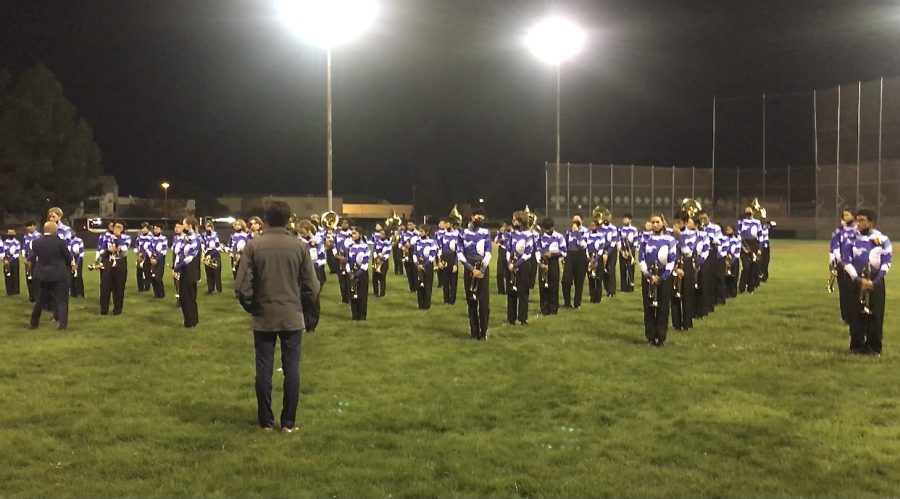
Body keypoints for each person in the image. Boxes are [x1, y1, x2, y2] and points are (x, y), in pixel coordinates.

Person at [235, 201, 320, 433]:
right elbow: (312, 286)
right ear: (287, 219)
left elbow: (242, 287)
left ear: (266, 219)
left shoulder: (253, 245)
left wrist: (253, 307)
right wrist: (302, 307)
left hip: (264, 316)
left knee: (263, 368)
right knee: (291, 369)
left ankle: (265, 422)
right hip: (292, 315)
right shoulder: (299, 246)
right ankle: (288, 424)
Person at [841, 209, 891, 356]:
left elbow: (886, 262)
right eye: (857, 220)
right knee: (855, 315)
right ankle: (856, 346)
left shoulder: (882, 239)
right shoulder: (850, 239)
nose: (858, 223)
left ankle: (873, 347)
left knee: (876, 315)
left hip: (876, 281)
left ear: (871, 222)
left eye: (862, 220)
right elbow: (846, 260)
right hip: (855, 280)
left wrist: (875, 282)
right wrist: (857, 279)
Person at [639, 214, 677, 347]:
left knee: (663, 307)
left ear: (662, 223)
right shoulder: (645, 239)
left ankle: (661, 337)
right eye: (653, 222)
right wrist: (648, 275)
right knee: (648, 307)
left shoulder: (670, 240)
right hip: (648, 275)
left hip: (664, 276)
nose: (655, 224)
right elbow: (641, 258)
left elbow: (672, 260)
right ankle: (650, 336)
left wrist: (662, 277)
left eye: (657, 222)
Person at [27, 222, 74, 330]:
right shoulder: (60, 242)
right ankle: (62, 324)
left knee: (40, 300)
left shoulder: (36, 242)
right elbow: (68, 257)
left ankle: (33, 323)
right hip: (59, 274)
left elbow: (35, 256)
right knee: (62, 300)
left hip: (42, 275)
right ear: (55, 230)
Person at [458, 207, 491, 340]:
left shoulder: (486, 232)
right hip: (469, 268)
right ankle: (474, 332)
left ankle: (483, 333)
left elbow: (488, 252)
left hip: (482, 268)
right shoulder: (462, 233)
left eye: (482, 219)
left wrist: (481, 270)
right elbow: (460, 254)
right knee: (471, 301)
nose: (480, 220)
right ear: (471, 217)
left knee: (483, 303)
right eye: (478, 218)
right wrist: (472, 269)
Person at [671, 214, 698, 331]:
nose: (677, 224)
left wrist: (680, 237)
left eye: (680, 222)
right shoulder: (670, 235)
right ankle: (676, 323)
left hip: (686, 264)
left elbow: (688, 251)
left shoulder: (692, 234)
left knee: (687, 294)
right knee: (674, 294)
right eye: (676, 221)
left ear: (686, 222)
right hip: (674, 265)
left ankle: (687, 323)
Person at [506, 211, 534, 325]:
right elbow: (508, 249)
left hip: (524, 266)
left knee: (522, 293)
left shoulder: (529, 235)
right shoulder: (512, 234)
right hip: (511, 265)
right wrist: (509, 263)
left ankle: (522, 319)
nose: (513, 221)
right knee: (511, 292)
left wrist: (516, 264)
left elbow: (528, 253)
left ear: (521, 220)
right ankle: (511, 318)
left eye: (515, 219)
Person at [173, 217, 201, 327]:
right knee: (184, 296)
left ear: (189, 225)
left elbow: (191, 256)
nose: (182, 226)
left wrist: (178, 266)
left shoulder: (195, 238)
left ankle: (191, 321)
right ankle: (190, 320)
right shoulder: (186, 237)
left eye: (183, 224)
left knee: (188, 296)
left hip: (190, 270)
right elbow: (179, 253)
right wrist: (176, 266)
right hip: (184, 269)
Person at [830, 209, 856, 324]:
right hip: (842, 266)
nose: (844, 217)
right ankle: (846, 317)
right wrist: (838, 262)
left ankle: (855, 315)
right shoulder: (838, 232)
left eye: (847, 215)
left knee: (855, 291)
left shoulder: (858, 231)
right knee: (844, 292)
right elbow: (834, 248)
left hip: (856, 265)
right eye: (843, 215)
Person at [538, 217, 566, 316]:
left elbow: (564, 252)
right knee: (543, 287)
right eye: (545, 228)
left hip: (553, 263)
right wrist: (540, 263)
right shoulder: (540, 237)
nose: (547, 231)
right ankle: (544, 310)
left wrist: (553, 255)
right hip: (542, 262)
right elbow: (537, 250)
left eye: (548, 228)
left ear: (552, 227)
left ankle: (553, 309)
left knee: (554, 287)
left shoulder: (559, 237)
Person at [562, 214, 589, 308]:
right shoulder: (568, 232)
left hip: (581, 256)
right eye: (574, 221)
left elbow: (584, 245)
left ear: (581, 221)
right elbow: (565, 244)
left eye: (577, 221)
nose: (575, 223)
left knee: (579, 281)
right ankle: (567, 302)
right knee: (566, 281)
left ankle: (577, 303)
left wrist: (577, 233)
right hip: (570, 256)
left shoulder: (585, 231)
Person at [346, 226, 370, 320]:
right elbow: (347, 260)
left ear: (360, 235)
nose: (353, 235)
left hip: (362, 273)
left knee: (362, 294)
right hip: (351, 273)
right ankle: (354, 315)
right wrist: (350, 272)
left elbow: (366, 262)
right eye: (352, 233)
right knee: (352, 294)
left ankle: (362, 316)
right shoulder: (350, 247)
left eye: (355, 233)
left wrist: (357, 274)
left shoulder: (365, 247)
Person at [737, 205, 762, 294]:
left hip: (754, 244)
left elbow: (760, 236)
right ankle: (742, 287)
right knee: (746, 266)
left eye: (749, 211)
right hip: (744, 244)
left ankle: (751, 288)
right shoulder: (741, 222)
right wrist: (743, 247)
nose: (748, 213)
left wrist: (759, 248)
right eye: (746, 211)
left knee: (752, 267)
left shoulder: (757, 222)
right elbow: (739, 235)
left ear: (753, 212)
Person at [413, 225, 438, 310]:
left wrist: (424, 265)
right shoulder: (417, 242)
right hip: (418, 265)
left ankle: (427, 304)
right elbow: (414, 253)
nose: (419, 233)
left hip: (427, 266)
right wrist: (417, 264)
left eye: (421, 231)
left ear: (426, 232)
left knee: (427, 284)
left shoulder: (432, 242)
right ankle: (420, 303)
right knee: (419, 284)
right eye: (419, 231)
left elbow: (432, 256)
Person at [439, 219, 461, 304]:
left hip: (452, 258)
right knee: (445, 280)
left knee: (453, 281)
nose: (445, 225)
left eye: (446, 223)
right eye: (444, 223)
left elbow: (458, 250)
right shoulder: (443, 235)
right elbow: (440, 248)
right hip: (444, 258)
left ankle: (452, 300)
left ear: (451, 224)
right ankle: (446, 300)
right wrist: (440, 260)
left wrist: (456, 264)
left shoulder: (457, 235)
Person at [599, 213, 619, 297]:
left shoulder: (613, 228)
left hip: (611, 251)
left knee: (611, 270)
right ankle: (607, 289)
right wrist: (602, 252)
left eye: (609, 217)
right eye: (606, 217)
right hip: (602, 251)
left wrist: (607, 253)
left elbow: (614, 241)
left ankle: (612, 291)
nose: (607, 219)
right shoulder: (600, 228)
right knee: (603, 271)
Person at [618, 214, 639, 292]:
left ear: (630, 220)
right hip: (623, 251)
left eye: (626, 219)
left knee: (630, 269)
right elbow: (618, 240)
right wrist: (622, 251)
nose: (624, 220)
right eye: (624, 219)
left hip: (631, 251)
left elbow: (636, 240)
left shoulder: (634, 229)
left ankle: (631, 286)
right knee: (623, 269)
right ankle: (623, 287)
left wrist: (631, 251)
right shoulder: (620, 229)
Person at [201, 221, 223, 294]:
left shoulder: (215, 234)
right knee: (208, 271)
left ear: (212, 227)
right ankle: (210, 288)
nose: (208, 228)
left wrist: (211, 254)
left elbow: (218, 246)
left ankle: (219, 289)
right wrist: (204, 254)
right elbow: (203, 244)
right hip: (207, 253)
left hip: (215, 253)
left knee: (216, 271)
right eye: (207, 226)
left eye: (209, 226)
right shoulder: (204, 235)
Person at [22, 220, 41, 302]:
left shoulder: (39, 236)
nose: (28, 228)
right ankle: (31, 296)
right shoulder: (25, 236)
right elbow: (23, 247)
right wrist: (25, 258)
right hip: (27, 260)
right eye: (27, 226)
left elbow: (39, 249)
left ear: (34, 226)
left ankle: (38, 296)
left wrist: (31, 258)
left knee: (36, 278)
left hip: (36, 260)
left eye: (30, 226)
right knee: (28, 278)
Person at [371, 227, 392, 297]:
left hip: (384, 262)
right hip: (375, 261)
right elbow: (374, 250)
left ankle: (382, 293)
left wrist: (381, 259)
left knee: (382, 277)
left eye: (383, 234)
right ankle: (375, 292)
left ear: (386, 235)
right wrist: (376, 258)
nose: (381, 235)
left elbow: (387, 253)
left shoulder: (388, 243)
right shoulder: (377, 241)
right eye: (380, 233)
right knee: (374, 278)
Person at [149, 224, 168, 299]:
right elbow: (150, 248)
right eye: (155, 229)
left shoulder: (164, 238)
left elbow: (164, 250)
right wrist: (151, 258)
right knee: (152, 277)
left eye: (158, 229)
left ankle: (161, 294)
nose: (156, 230)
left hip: (160, 259)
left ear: (161, 230)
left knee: (158, 277)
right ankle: (156, 294)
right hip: (152, 258)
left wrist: (157, 259)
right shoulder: (152, 238)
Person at [134, 222, 153, 292]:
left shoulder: (151, 237)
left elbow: (150, 247)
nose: (144, 230)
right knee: (139, 272)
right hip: (139, 256)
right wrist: (138, 252)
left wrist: (144, 254)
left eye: (145, 228)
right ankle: (140, 288)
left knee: (147, 272)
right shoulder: (139, 236)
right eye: (143, 228)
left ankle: (147, 287)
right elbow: (136, 244)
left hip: (147, 256)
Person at [3, 229, 21, 295]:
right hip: (6, 260)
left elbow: (17, 253)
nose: (11, 235)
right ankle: (9, 290)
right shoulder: (4, 242)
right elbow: (2, 251)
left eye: (12, 234)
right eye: (9, 234)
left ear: (14, 234)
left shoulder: (17, 242)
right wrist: (5, 259)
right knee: (7, 275)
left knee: (15, 275)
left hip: (14, 261)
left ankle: (15, 290)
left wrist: (10, 260)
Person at [494, 221, 510, 294]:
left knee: (508, 272)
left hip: (509, 252)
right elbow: (496, 241)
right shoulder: (501, 233)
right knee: (499, 272)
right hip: (502, 252)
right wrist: (500, 233)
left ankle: (509, 289)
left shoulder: (513, 233)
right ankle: (501, 290)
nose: (504, 227)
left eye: (505, 225)